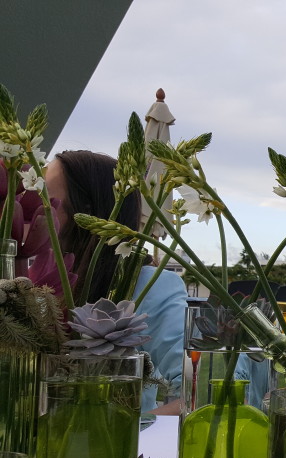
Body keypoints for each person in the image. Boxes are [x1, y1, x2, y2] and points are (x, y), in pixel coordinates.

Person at [44, 150, 187, 413]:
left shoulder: (150, 286)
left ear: (86, 211)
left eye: (47, 198)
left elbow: (195, 394)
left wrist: (124, 434)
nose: (31, 204)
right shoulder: (38, 277)